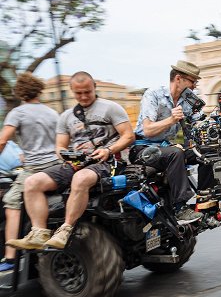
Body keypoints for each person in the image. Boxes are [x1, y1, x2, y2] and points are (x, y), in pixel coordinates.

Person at [6, 71, 134, 250]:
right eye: (78, 93)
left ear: (94, 88)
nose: (83, 96)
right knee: (32, 182)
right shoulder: (66, 116)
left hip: (108, 161)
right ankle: (39, 232)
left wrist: (108, 150)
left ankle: (66, 229)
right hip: (77, 163)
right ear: (72, 91)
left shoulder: (111, 108)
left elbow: (128, 136)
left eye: (87, 92)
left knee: (80, 179)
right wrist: (66, 154)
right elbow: (59, 146)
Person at [131, 60, 207, 223]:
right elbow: (148, 130)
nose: (194, 86)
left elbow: (199, 124)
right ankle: (180, 208)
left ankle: (207, 198)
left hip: (166, 148)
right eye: (192, 81)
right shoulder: (153, 94)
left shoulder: (187, 101)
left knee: (205, 150)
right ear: (178, 78)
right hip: (143, 149)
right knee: (175, 153)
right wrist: (171, 120)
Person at [0, 73, 59, 272]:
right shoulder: (52, 113)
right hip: (55, 166)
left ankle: (9, 258)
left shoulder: (18, 113)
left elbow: (2, 140)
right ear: (39, 90)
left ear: (19, 92)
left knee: (11, 201)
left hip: (34, 169)